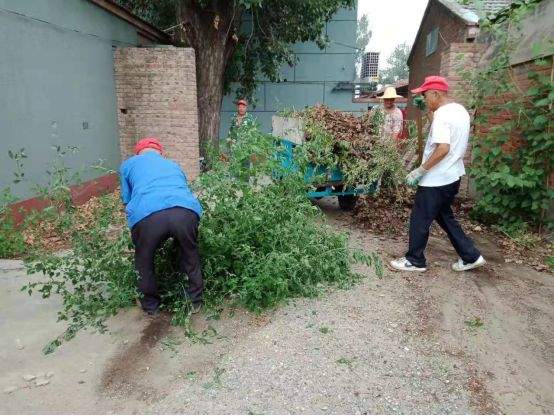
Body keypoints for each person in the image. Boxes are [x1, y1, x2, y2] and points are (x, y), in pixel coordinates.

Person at [390, 76, 486, 273]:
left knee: (420, 218)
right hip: (453, 177)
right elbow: (439, 128)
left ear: (436, 93)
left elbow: (443, 147)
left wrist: (420, 170)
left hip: (436, 179)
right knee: (444, 216)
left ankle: (415, 260)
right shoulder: (459, 111)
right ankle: (471, 256)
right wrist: (427, 110)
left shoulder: (443, 116)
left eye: (425, 96)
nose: (424, 99)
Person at [120, 138, 204, 315]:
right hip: (185, 211)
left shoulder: (128, 165)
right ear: (160, 153)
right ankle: (194, 301)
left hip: (148, 215)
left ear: (138, 153)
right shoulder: (173, 165)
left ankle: (151, 306)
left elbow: (126, 201)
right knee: (189, 253)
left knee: (144, 259)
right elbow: (183, 188)